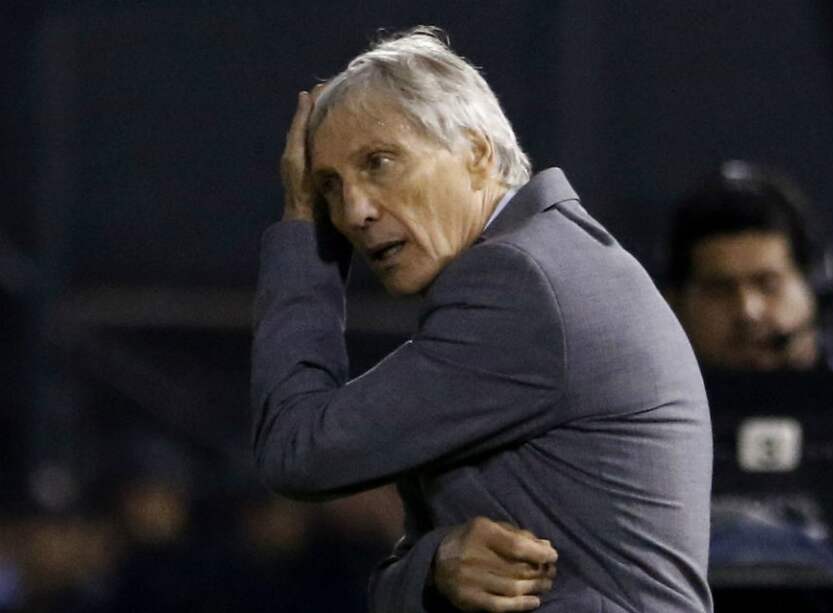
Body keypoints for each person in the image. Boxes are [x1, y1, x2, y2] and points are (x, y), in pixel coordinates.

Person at [251, 27, 713, 612]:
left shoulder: (522, 284)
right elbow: (421, 567)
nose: (354, 212)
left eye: (380, 163)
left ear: (477, 152)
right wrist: (434, 567)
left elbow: (297, 449)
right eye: (328, 190)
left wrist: (301, 230)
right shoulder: (549, 260)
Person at [664, 160, 833, 612]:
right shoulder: (638, 428)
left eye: (768, 283)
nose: (748, 311)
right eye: (720, 289)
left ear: (816, 285)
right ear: (677, 303)